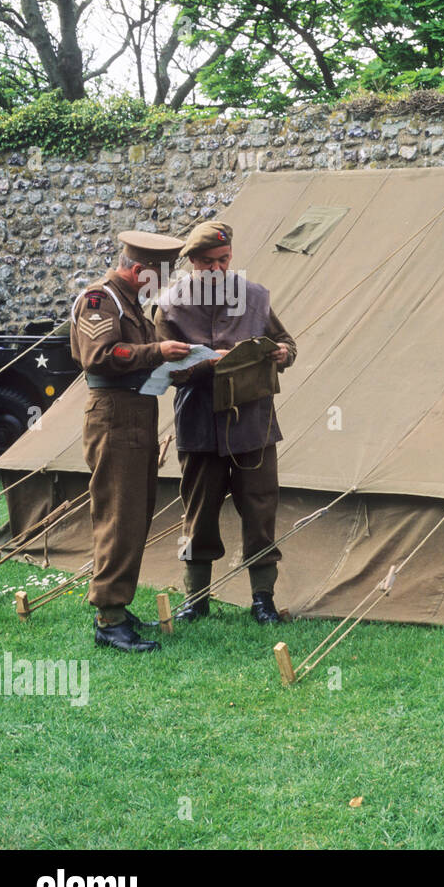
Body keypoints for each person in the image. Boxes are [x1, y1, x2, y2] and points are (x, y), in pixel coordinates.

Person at [155, 221, 297, 623]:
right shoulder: (170, 305)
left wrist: (283, 355)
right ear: (192, 262)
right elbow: (162, 372)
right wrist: (203, 362)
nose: (217, 270)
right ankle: (196, 599)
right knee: (198, 514)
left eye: (223, 260)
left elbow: (288, 343)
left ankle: (262, 599)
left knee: (260, 510)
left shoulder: (254, 297)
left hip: (254, 424)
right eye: (207, 263)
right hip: (200, 426)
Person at [70, 230, 191, 652]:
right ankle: (109, 618)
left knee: (136, 513)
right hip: (114, 417)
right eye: (160, 277)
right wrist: (158, 352)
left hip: (137, 413)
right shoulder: (100, 300)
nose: (164, 285)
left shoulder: (131, 303)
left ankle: (119, 605)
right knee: (118, 517)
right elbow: (100, 356)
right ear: (139, 271)